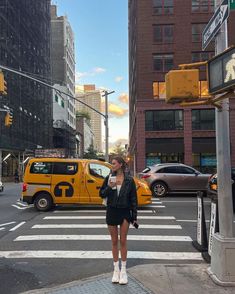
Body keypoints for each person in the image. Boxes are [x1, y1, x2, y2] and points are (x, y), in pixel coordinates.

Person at [99, 156, 138, 285]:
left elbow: (133, 199)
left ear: (120, 164)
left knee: (123, 241)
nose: (112, 165)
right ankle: (116, 270)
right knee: (114, 241)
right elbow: (102, 194)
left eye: (114, 163)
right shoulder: (109, 178)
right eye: (112, 164)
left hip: (125, 212)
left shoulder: (129, 180)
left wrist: (134, 217)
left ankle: (124, 271)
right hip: (111, 211)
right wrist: (109, 187)